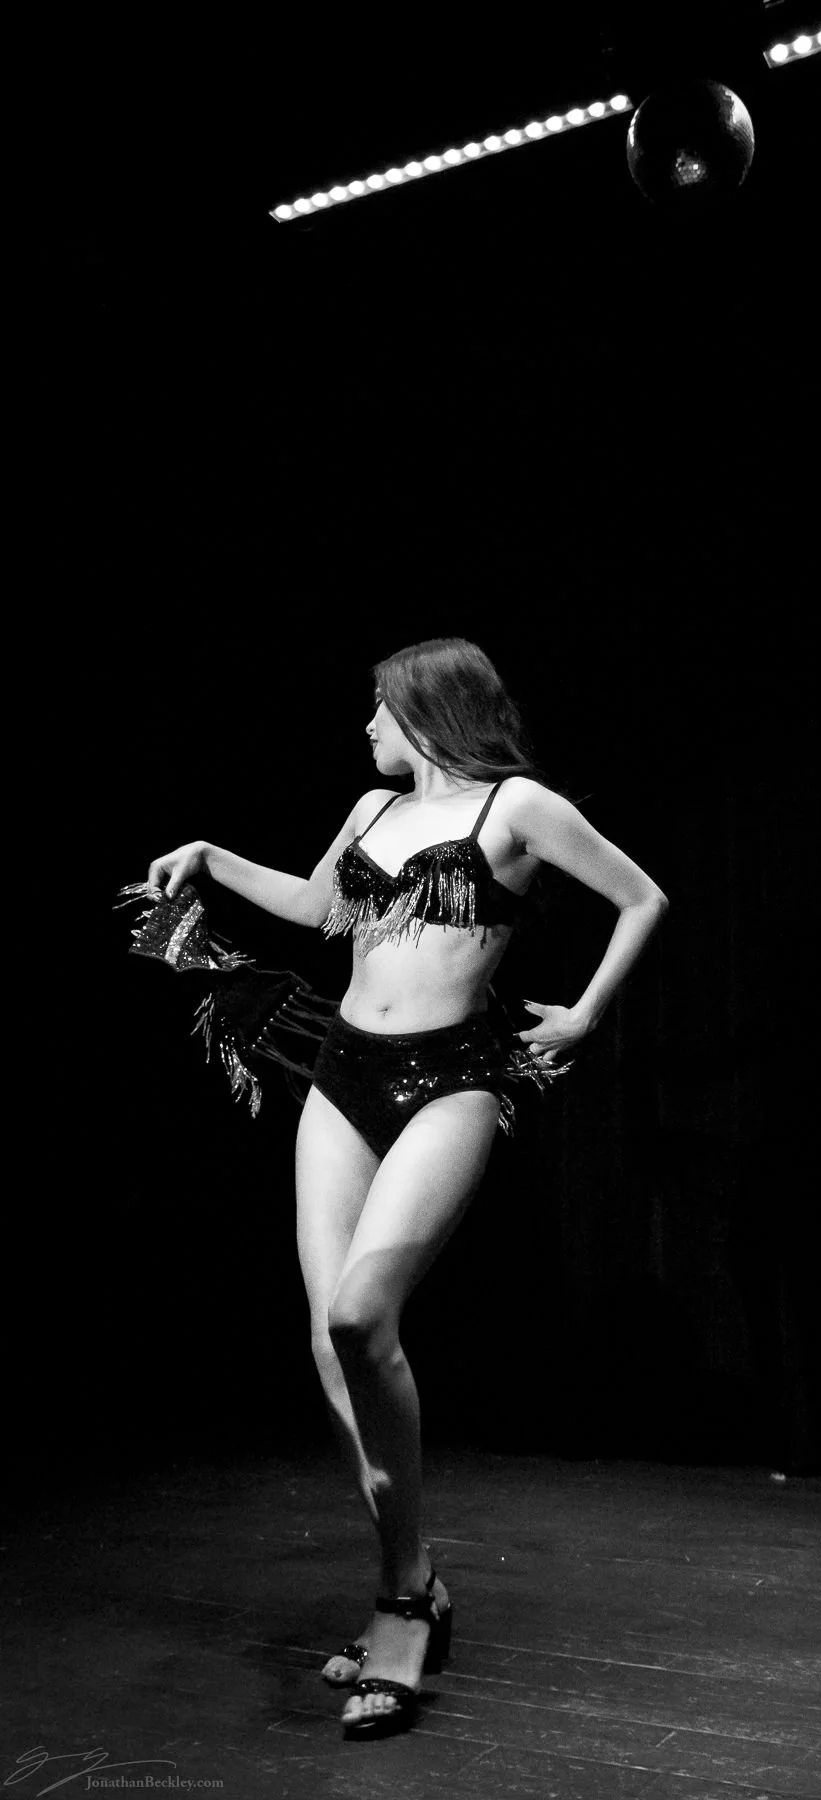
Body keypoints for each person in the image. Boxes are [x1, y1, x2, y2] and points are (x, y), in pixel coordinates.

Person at [144, 637, 668, 1740]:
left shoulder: (518, 807)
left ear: (425, 708)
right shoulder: (370, 813)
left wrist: (581, 1014)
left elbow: (641, 898)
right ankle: (410, 1580)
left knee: (359, 1313)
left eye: (377, 709)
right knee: (325, 1340)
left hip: (453, 1081)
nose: (366, 729)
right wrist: (207, 853)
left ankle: (401, 1598)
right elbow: (310, 906)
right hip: (343, 1075)